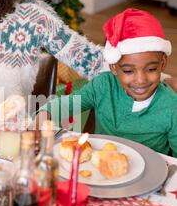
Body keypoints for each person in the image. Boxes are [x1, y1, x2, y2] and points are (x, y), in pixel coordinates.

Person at [36, 8, 177, 156]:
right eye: (128, 71)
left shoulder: (172, 107)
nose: (141, 80)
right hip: (100, 171)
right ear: (113, 67)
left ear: (162, 63)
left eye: (151, 69)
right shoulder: (103, 85)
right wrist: (46, 112)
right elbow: (69, 104)